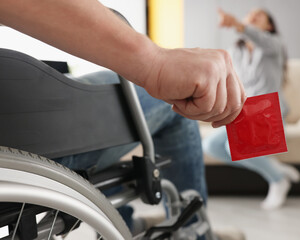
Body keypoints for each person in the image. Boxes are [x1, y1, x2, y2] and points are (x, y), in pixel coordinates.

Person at [0, 1, 246, 239]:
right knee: (174, 102)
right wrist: (155, 63)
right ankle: (194, 232)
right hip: (20, 143)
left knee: (104, 112)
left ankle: (129, 226)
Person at [202, 8, 300, 210]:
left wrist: (238, 24)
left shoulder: (274, 44)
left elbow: (258, 38)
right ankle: (276, 169)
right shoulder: (235, 51)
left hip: (268, 112)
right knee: (211, 145)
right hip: (245, 112)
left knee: (234, 147)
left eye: (260, 16)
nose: (253, 17)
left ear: (269, 26)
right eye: (250, 15)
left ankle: (277, 180)